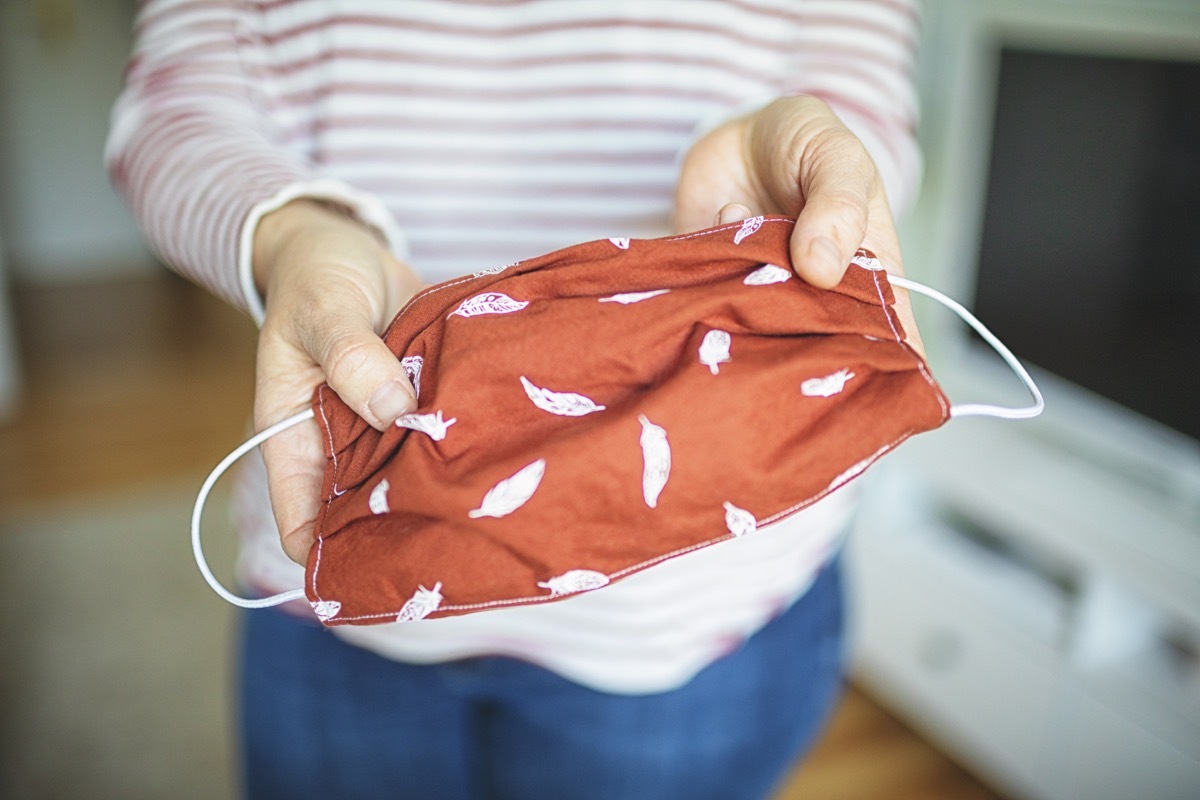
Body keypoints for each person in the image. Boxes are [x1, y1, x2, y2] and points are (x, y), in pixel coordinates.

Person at [107, 2, 923, 798]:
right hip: (336, 552)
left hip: (694, 612)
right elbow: (177, 105)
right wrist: (294, 236)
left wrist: (793, 177)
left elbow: (859, 101)